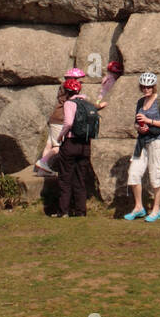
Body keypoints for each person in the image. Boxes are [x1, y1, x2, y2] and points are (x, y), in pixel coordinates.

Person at [124, 72, 160, 224]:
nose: (146, 89)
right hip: (142, 142)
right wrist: (140, 128)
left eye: (149, 86)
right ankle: (139, 207)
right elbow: (135, 123)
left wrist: (149, 120)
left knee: (155, 177)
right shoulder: (140, 102)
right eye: (144, 86)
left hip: (157, 142)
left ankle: (156, 209)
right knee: (133, 174)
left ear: (153, 86)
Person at [52, 69, 99, 218]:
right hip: (85, 145)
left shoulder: (69, 103)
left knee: (65, 178)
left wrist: (60, 137)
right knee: (80, 178)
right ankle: (81, 211)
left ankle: (63, 211)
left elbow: (68, 123)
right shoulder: (86, 103)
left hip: (71, 143)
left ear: (67, 91)